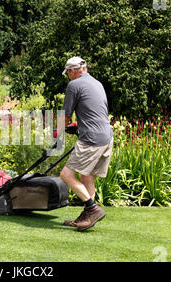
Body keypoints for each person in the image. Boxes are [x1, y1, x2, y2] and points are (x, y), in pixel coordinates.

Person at [58, 56, 113, 232]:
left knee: (66, 175)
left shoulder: (74, 85)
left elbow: (66, 115)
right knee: (87, 176)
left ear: (73, 71)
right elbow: (94, 111)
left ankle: (92, 208)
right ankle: (87, 217)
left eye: (68, 73)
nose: (68, 76)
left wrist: (57, 133)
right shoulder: (97, 83)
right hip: (106, 136)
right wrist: (78, 126)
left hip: (91, 139)